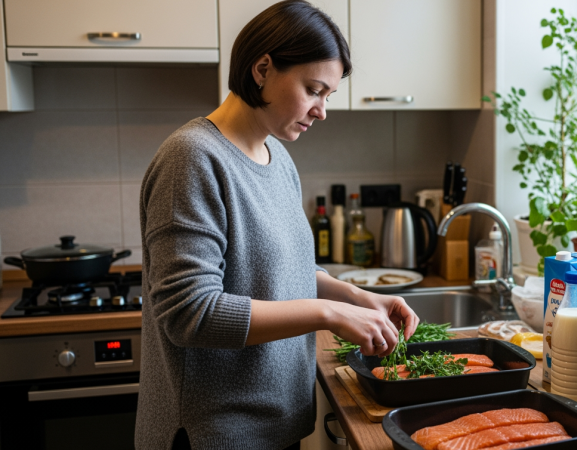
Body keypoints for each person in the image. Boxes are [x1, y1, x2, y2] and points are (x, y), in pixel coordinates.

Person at [135, 2, 419, 448]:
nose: (322, 110)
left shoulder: (277, 156)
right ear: (263, 68)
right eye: (313, 89)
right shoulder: (192, 158)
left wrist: (357, 296)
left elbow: (278, 273)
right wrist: (330, 314)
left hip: (275, 425)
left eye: (328, 95)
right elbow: (190, 313)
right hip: (214, 434)